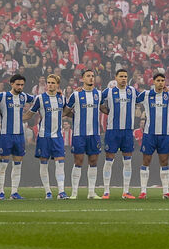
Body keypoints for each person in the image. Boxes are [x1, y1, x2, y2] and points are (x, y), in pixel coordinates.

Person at [64, 69, 103, 199]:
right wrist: (73, 115)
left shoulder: (99, 94)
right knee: (78, 161)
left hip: (94, 133)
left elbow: (103, 108)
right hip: (79, 133)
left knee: (93, 161)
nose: (91, 78)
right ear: (82, 79)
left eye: (93, 76)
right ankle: (74, 192)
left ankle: (91, 192)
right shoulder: (76, 95)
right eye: (88, 76)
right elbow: (65, 110)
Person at [99, 68, 138, 199]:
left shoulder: (132, 91)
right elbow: (95, 98)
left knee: (127, 161)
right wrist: (104, 110)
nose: (123, 78)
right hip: (112, 131)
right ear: (115, 78)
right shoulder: (109, 92)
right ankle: (106, 191)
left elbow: (146, 97)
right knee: (109, 160)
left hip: (127, 131)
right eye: (121, 76)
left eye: (125, 76)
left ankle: (126, 191)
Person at [135, 72, 169, 199]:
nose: (161, 83)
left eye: (163, 80)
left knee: (164, 161)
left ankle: (166, 192)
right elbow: (133, 100)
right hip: (149, 134)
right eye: (158, 80)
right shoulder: (146, 94)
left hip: (164, 134)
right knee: (146, 161)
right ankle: (143, 191)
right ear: (153, 82)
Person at [30, 74, 69, 199]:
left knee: (60, 163)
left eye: (53, 82)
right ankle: (48, 192)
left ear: (57, 85)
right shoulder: (40, 98)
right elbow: (30, 113)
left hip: (57, 136)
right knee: (44, 164)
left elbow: (66, 111)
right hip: (43, 136)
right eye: (48, 82)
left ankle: (61, 191)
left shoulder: (61, 98)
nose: (50, 84)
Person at [0, 74, 31, 200]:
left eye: (22, 85)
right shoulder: (3, 96)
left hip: (19, 135)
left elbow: (39, 99)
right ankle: (0, 192)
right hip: (5, 135)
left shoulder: (24, 96)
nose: (20, 87)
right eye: (18, 84)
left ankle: (14, 192)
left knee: (17, 165)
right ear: (11, 84)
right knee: (3, 164)